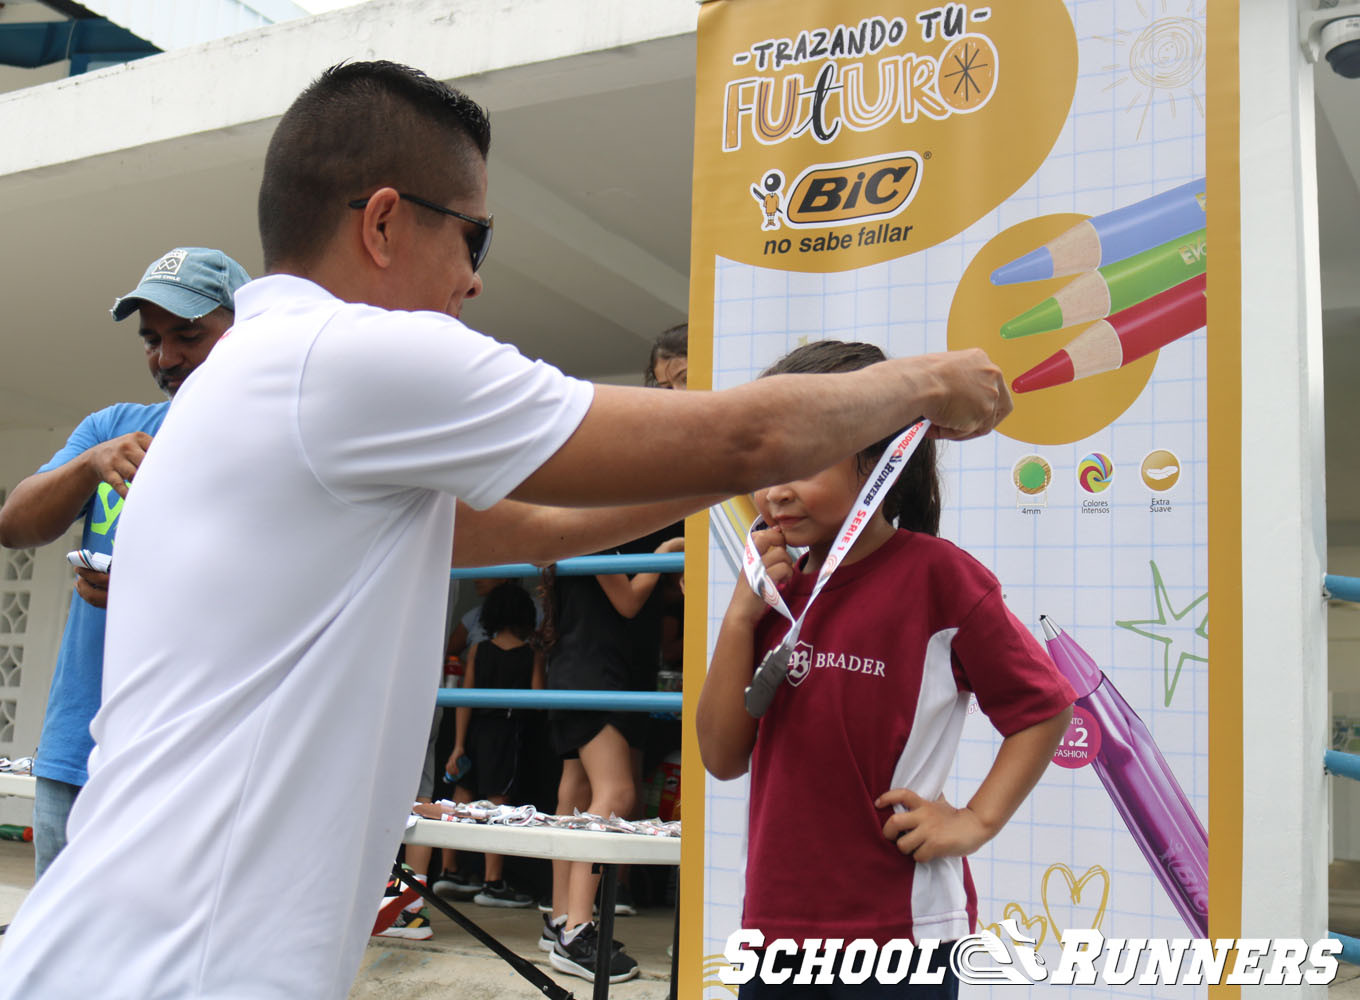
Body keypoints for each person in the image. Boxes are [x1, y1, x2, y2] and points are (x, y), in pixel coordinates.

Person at [0, 63, 1011, 999]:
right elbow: (745, 428)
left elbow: (524, 522)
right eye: (473, 238)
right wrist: (926, 383)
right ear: (386, 222)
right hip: (181, 967)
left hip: (135, 946)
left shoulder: (265, 383)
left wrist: (711, 476)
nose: (476, 279)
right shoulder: (342, 359)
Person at [696, 341, 1074, 998]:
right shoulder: (770, 591)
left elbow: (1043, 706)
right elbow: (722, 756)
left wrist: (976, 820)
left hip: (903, 935)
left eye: (804, 460)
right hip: (774, 927)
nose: (776, 489)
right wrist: (738, 619)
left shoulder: (939, 577)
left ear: (880, 459)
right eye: (770, 463)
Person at [0, 247, 249, 880]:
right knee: (62, 965)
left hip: (189, 763)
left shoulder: (273, 447)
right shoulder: (115, 427)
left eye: (188, 334)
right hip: (75, 752)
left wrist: (152, 595)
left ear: (243, 328)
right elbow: (15, 524)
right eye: (152, 339)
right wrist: (88, 464)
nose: (166, 358)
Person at [540, 533, 684, 982]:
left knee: (577, 791)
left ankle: (563, 919)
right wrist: (662, 556)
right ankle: (578, 931)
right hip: (592, 674)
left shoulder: (576, 530)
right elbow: (628, 601)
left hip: (579, 671)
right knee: (617, 791)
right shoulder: (589, 531)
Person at [449, 580, 544, 908]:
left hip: (475, 728)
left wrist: (458, 744)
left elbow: (466, 697)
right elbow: (536, 698)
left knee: (463, 790)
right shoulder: (530, 654)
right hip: (506, 729)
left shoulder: (477, 650)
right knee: (498, 800)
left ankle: (450, 868)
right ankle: (493, 881)